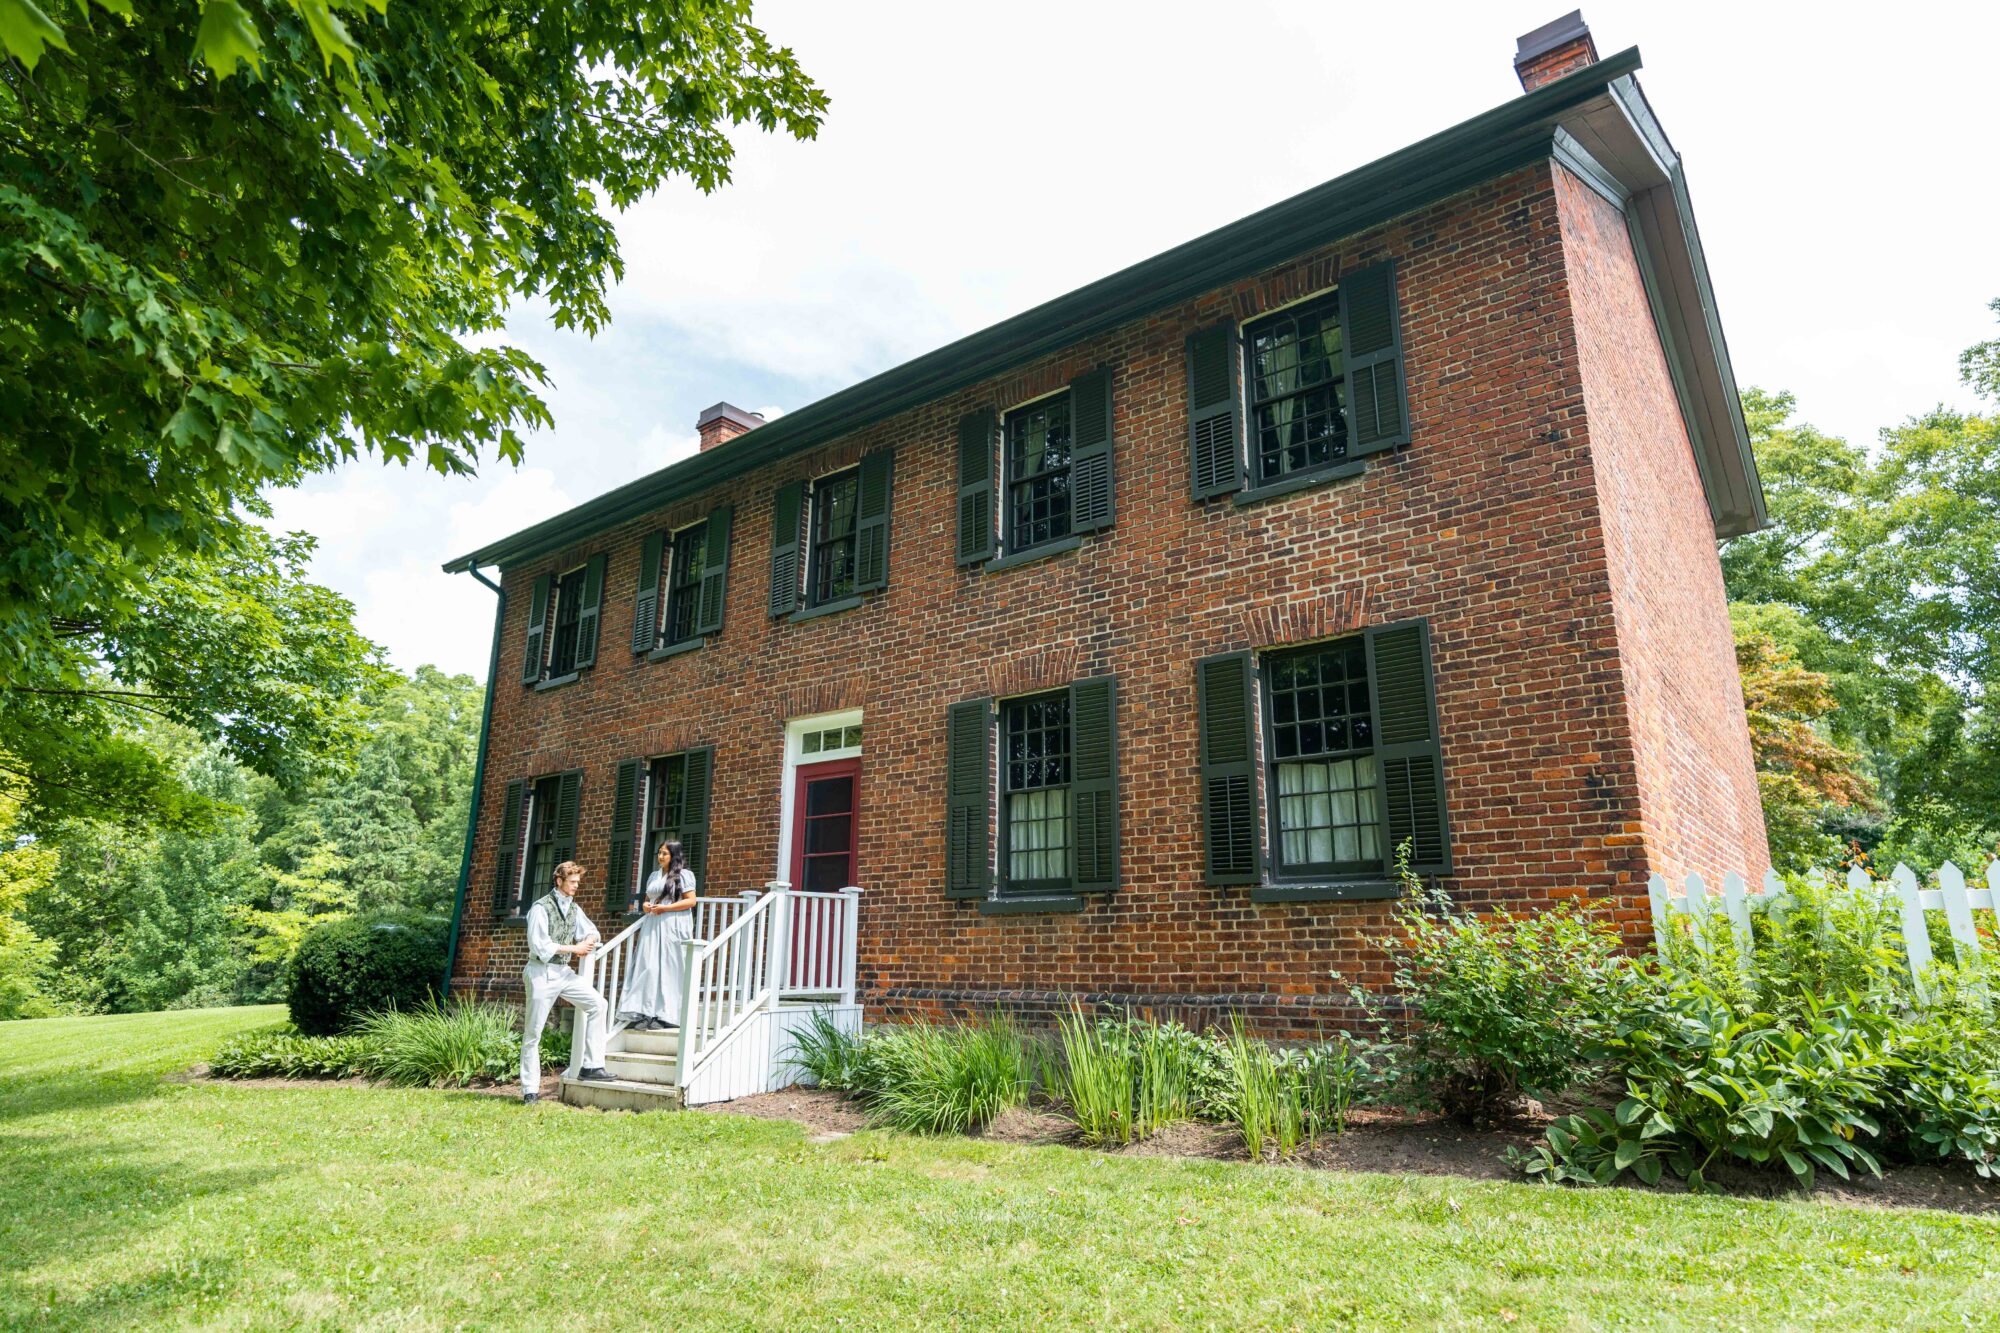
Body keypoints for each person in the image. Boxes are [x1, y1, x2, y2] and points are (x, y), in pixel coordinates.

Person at [520, 860, 614, 1103]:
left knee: (598, 1004)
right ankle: (530, 1090)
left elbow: (592, 931)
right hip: (541, 972)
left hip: (563, 972)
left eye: (577, 882)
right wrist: (576, 947)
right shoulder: (540, 908)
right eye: (572, 882)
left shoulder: (573, 908)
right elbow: (540, 946)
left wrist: (590, 937)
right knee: (534, 1032)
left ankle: (591, 1066)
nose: (575, 886)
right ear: (559, 881)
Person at [617, 840, 698, 1032]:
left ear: (674, 856)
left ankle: (667, 1014)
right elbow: (648, 899)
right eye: (659, 852)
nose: (660, 856)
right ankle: (646, 1011)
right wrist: (646, 906)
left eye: (665, 853)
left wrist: (666, 908)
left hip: (672, 923)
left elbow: (691, 901)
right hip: (653, 923)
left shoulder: (684, 875)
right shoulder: (654, 875)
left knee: (670, 967)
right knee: (648, 966)